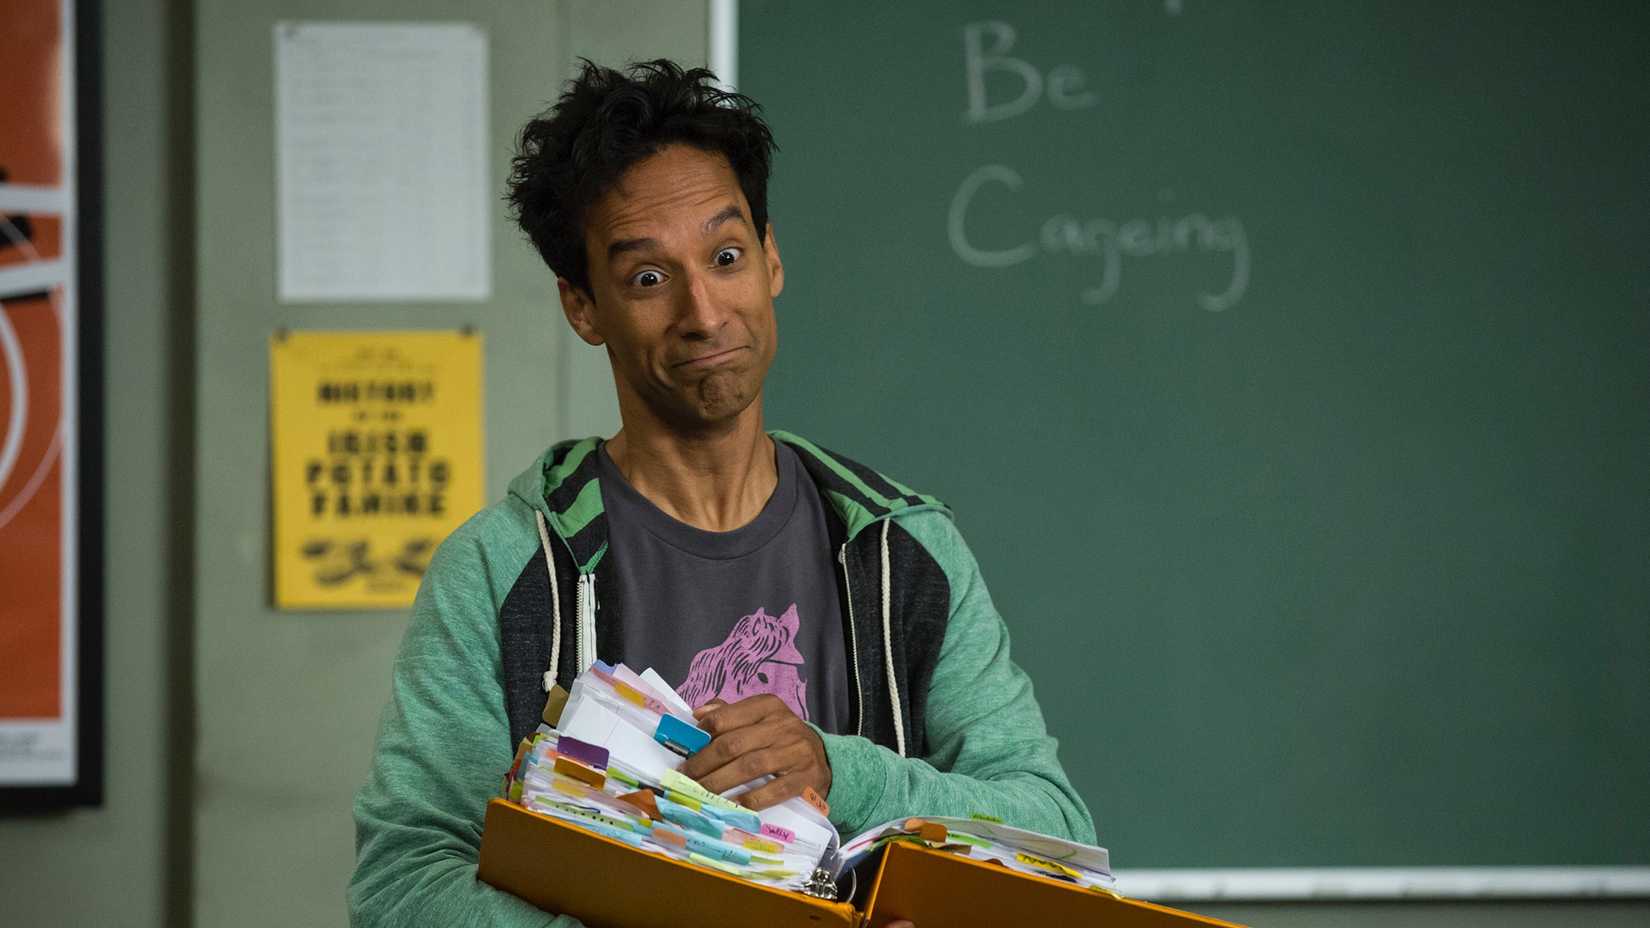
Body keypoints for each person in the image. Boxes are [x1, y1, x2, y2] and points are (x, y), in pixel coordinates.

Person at [348, 59, 1095, 927]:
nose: (704, 313)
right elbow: (402, 886)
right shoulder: (502, 571)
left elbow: (1054, 833)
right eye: (648, 278)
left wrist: (840, 772)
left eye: (727, 256)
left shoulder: (902, 552)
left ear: (771, 259)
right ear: (582, 307)